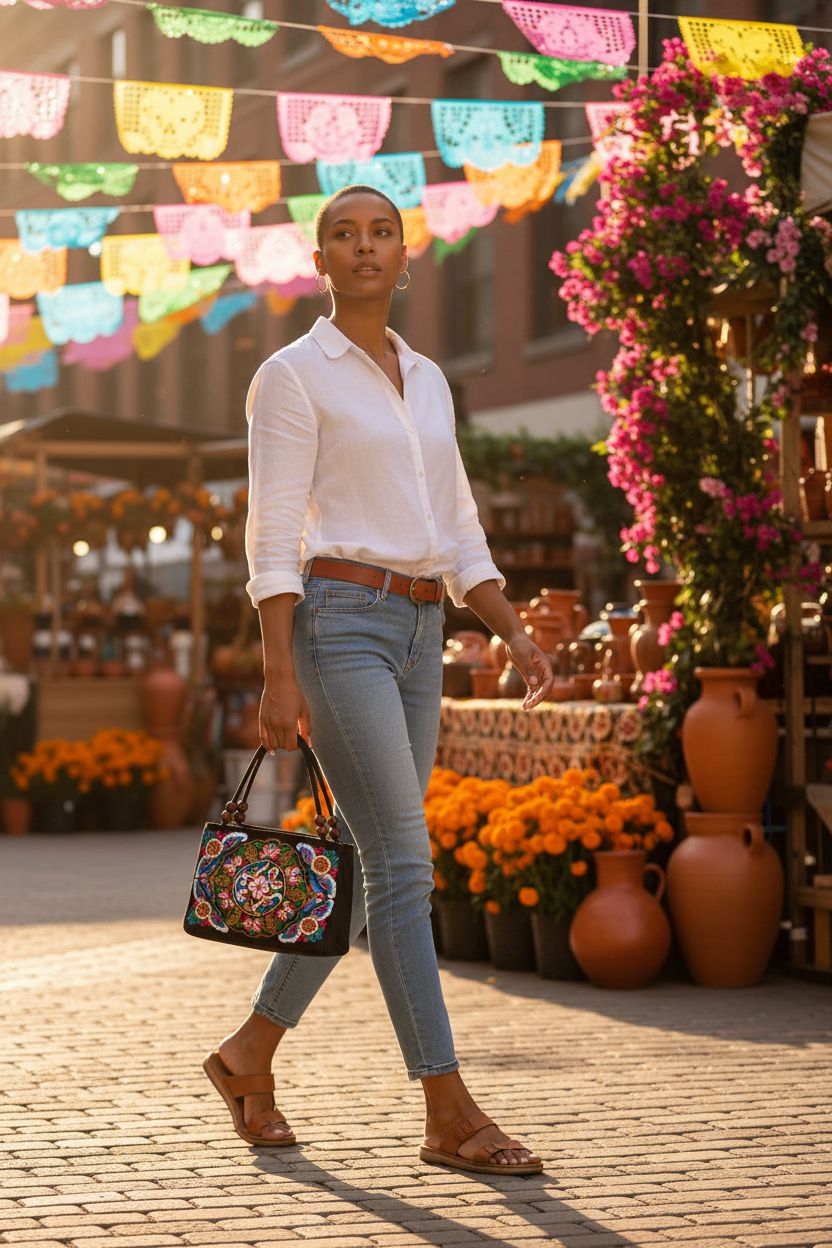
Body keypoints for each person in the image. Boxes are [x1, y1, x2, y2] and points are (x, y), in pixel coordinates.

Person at [203, 185, 554, 1175]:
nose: (365, 247)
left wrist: (515, 635)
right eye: (344, 235)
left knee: (366, 871)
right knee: (403, 863)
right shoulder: (290, 375)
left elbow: (457, 530)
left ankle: (248, 1055)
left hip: (420, 628)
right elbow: (271, 531)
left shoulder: (433, 380)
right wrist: (279, 671)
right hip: (339, 623)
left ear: (407, 256)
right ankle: (447, 1110)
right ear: (320, 260)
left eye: (382, 232)